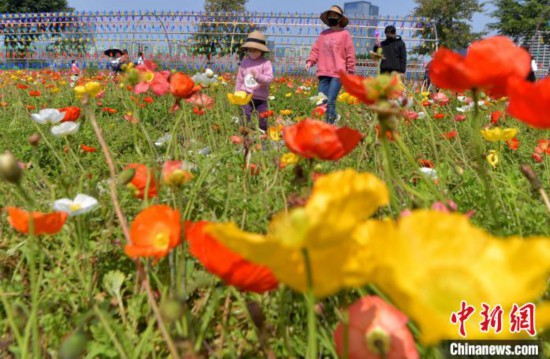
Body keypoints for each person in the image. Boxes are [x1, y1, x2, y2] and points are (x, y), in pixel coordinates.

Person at [306, 5, 356, 124]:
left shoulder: (345, 34)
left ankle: (329, 124)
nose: (332, 17)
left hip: (338, 73)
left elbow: (350, 53)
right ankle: (333, 117)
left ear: (339, 18)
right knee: (322, 100)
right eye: (330, 16)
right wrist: (310, 61)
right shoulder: (323, 34)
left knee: (331, 100)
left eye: (335, 15)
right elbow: (315, 50)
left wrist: (351, 70)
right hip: (323, 72)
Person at [235, 30, 274, 132]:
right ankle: (244, 133)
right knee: (245, 115)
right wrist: (237, 93)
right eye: (250, 50)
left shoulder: (266, 63)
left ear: (261, 50)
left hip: (261, 98)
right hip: (246, 96)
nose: (252, 52)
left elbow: (269, 79)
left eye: (255, 50)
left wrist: (258, 77)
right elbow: (240, 79)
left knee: (263, 119)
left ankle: (263, 135)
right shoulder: (245, 61)